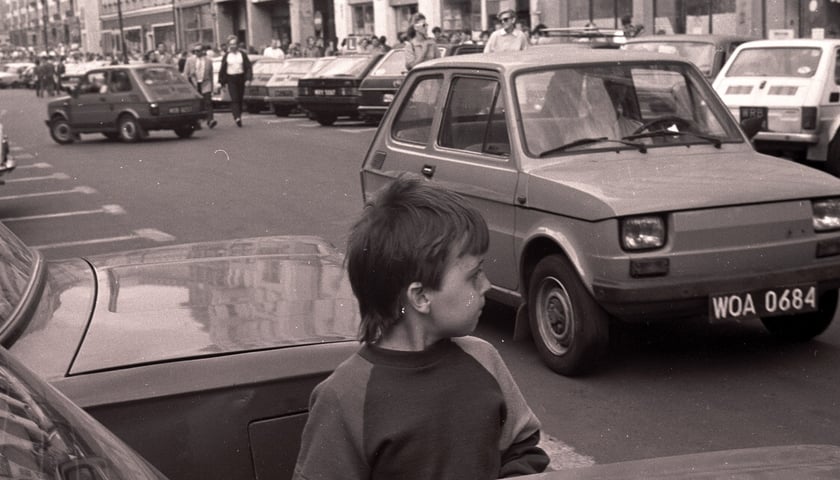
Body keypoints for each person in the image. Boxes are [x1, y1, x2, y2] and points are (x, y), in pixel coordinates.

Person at [293, 177, 550, 480]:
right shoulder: (345, 396)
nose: (486, 285)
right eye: (474, 275)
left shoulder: (484, 358)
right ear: (420, 297)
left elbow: (523, 448)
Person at [218, 36, 252, 127]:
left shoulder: (242, 54)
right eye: (231, 44)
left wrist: (248, 79)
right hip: (231, 79)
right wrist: (221, 82)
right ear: (229, 45)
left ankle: (239, 115)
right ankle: (237, 117)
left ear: (237, 45)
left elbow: (248, 67)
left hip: (240, 78)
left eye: (234, 44)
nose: (233, 46)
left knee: (240, 98)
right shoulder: (227, 56)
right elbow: (222, 69)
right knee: (235, 98)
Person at [183, 44, 217, 129]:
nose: (196, 52)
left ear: (203, 51)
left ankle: (210, 120)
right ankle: (196, 122)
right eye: (195, 51)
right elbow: (185, 74)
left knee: (208, 102)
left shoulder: (208, 61)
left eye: (198, 51)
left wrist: (212, 87)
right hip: (194, 83)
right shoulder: (190, 60)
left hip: (205, 83)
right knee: (197, 104)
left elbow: (211, 74)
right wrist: (187, 85)